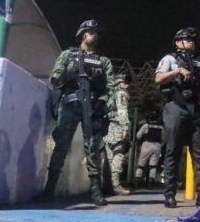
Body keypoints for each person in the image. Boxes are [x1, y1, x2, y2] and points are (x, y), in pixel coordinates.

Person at [36, 20, 114, 206]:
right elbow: (55, 78)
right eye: (89, 31)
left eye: (96, 32)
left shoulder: (103, 61)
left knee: (92, 148)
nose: (93, 34)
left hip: (92, 107)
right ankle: (49, 189)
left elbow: (110, 87)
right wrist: (67, 77)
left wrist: (102, 103)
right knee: (61, 145)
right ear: (82, 34)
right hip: (70, 104)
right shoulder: (68, 55)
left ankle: (95, 191)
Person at [155, 27, 200, 209]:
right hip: (176, 106)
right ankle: (170, 195)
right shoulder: (169, 59)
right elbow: (158, 79)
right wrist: (177, 71)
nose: (191, 42)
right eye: (188, 39)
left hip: (196, 109)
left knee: (199, 155)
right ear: (178, 41)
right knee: (173, 151)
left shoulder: (198, 64)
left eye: (192, 40)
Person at [103, 73, 131, 195]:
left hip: (106, 126)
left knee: (108, 157)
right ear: (120, 83)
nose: (127, 85)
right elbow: (122, 111)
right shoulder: (121, 94)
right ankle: (116, 185)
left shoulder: (110, 93)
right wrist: (125, 127)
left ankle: (106, 185)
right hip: (117, 126)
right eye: (125, 82)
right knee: (118, 154)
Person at [135, 111, 164, 188]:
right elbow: (164, 138)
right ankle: (150, 182)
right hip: (157, 146)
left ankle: (137, 181)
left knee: (141, 164)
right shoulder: (161, 127)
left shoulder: (146, 126)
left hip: (146, 145)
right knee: (153, 165)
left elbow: (138, 136)